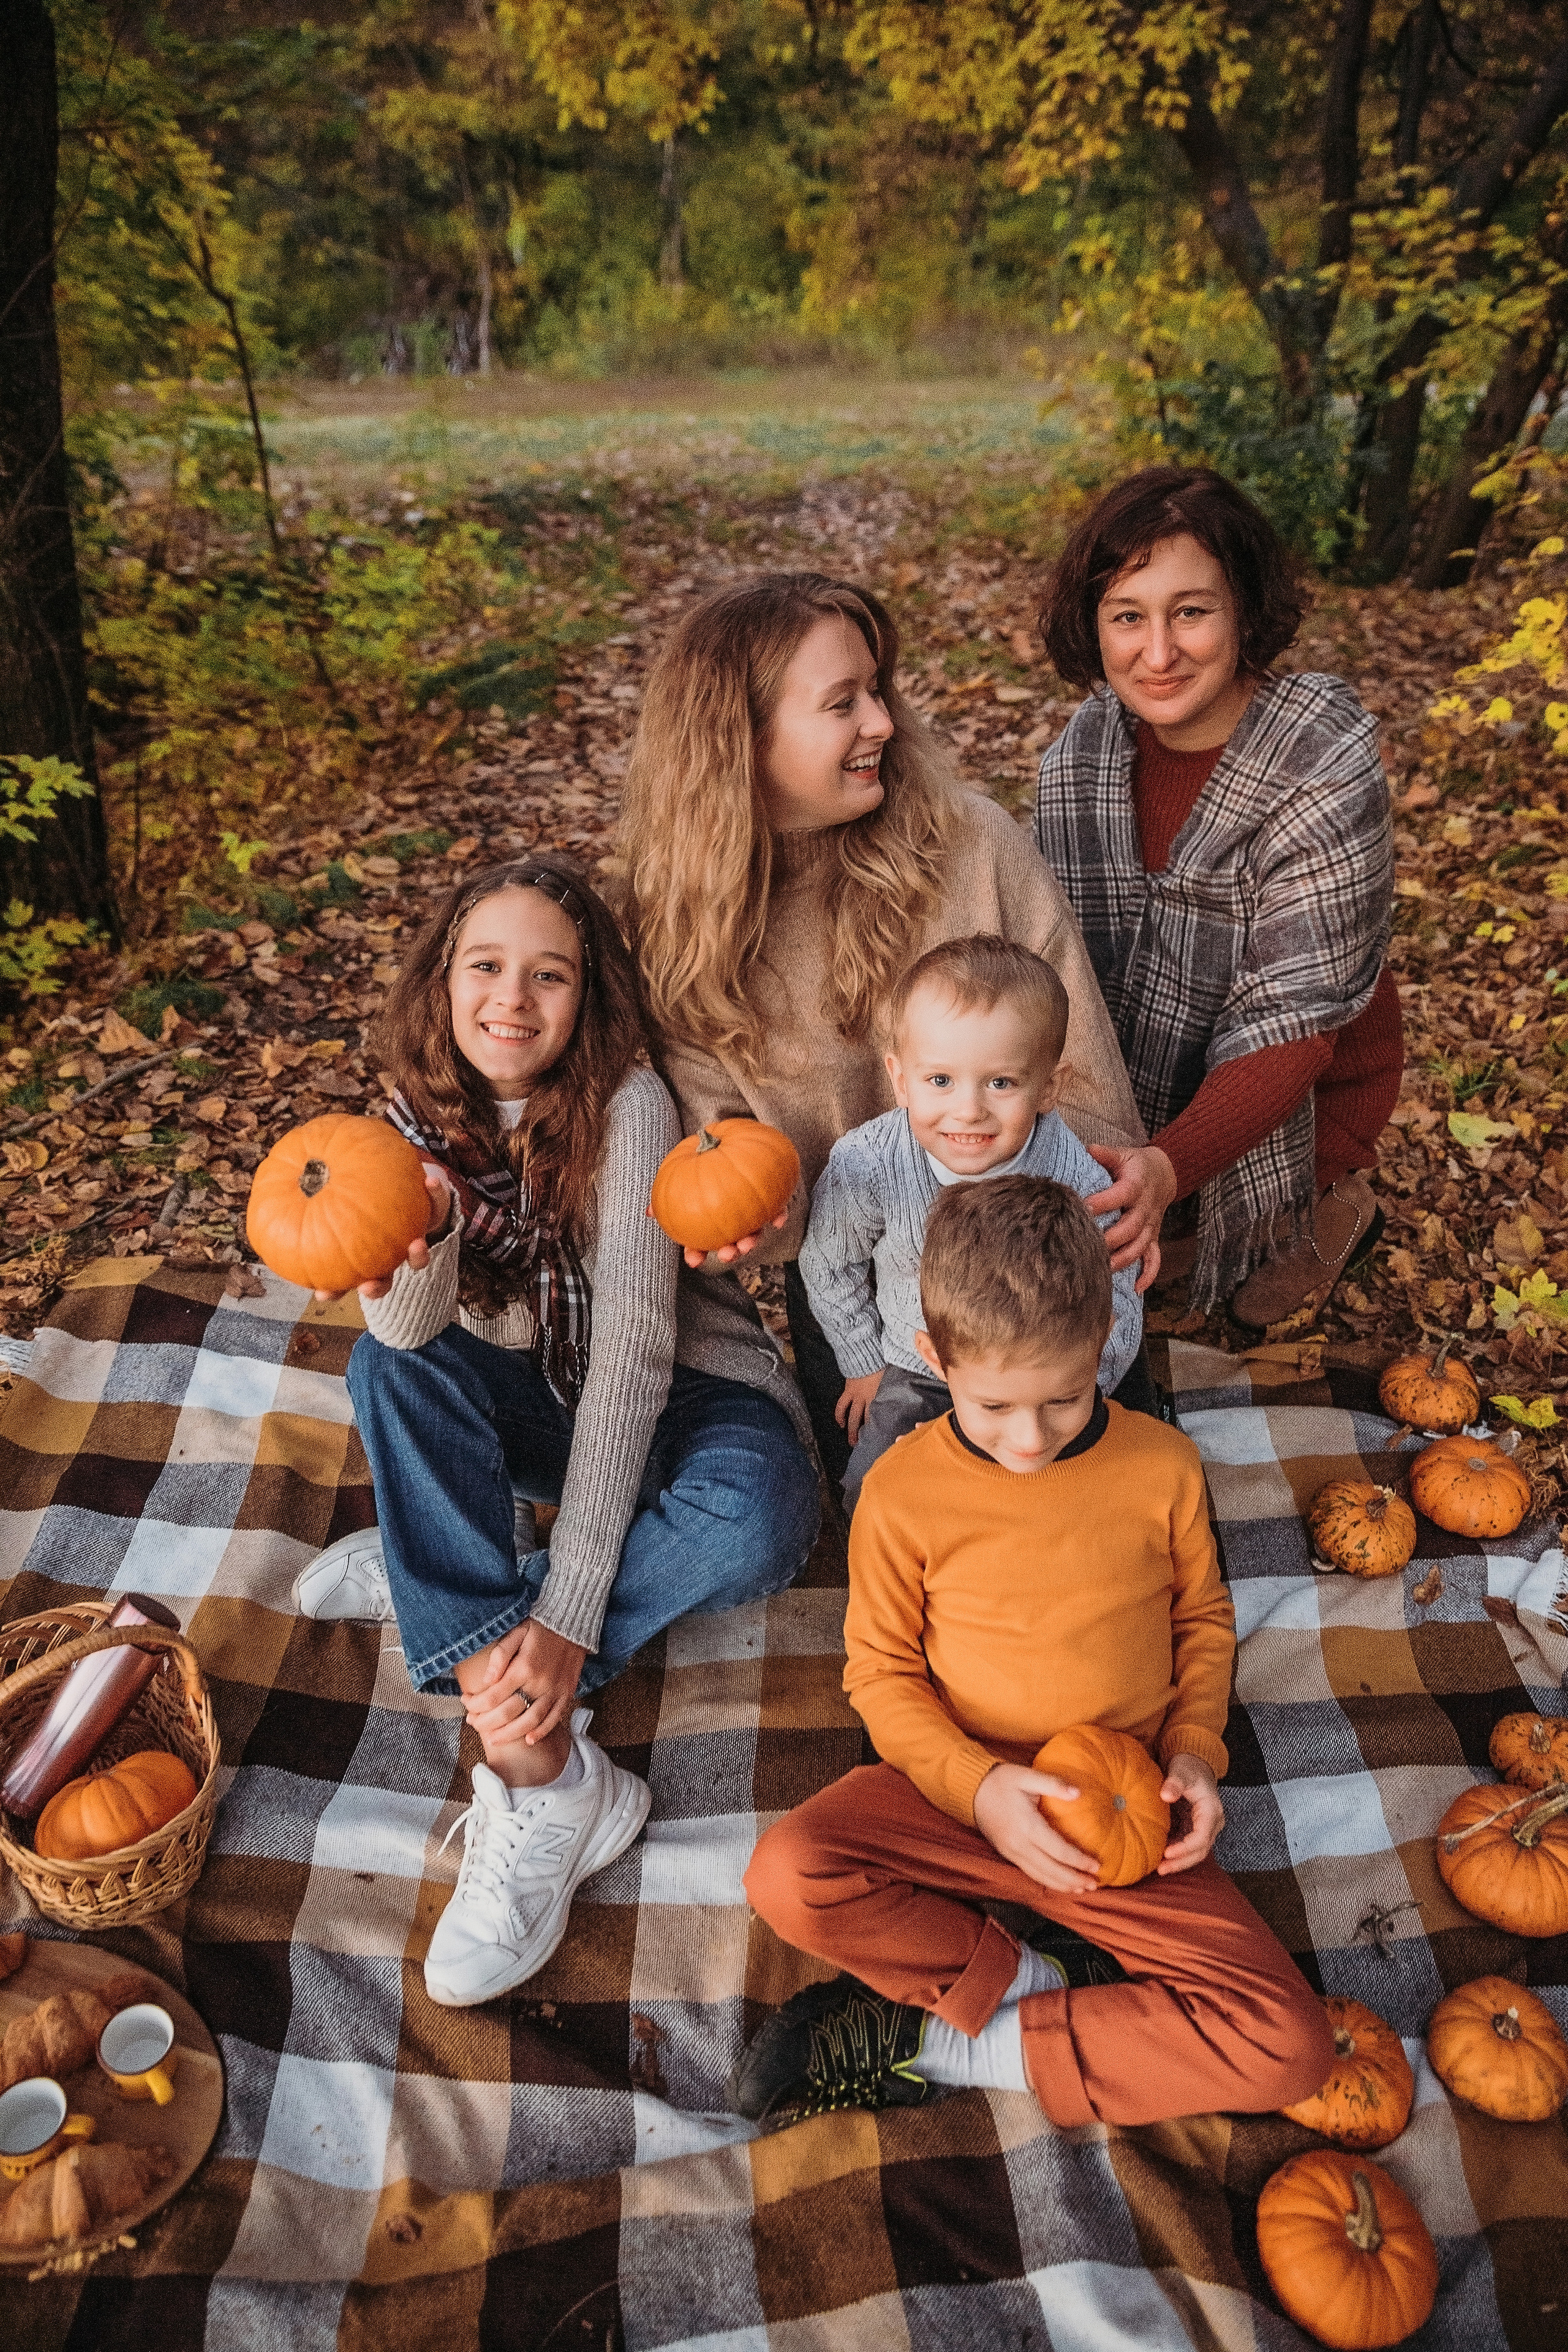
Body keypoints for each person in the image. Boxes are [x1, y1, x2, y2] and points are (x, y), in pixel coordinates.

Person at [292, 854, 819, 2008]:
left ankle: (469, 1591)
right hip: (531, 1408)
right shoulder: (400, 1128)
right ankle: (541, 1772)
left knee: (768, 1517)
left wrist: (572, 1609)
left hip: (684, 1399)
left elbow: (632, 1354)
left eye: (550, 976)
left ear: (590, 998)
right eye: (486, 967)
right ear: (441, 979)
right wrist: (419, 1239)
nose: (512, 1001)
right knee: (389, 1366)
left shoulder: (628, 1105)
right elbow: (418, 1335)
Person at [733, 1177, 1333, 2127]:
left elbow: (1202, 1621)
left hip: (1125, 1815)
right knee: (788, 1871)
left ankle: (963, 2045)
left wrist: (1193, 1754)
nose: (1031, 1437)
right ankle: (1036, 1975)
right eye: (996, 1406)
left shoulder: (1161, 1467)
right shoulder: (899, 1493)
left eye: (1062, 1398)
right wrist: (977, 1790)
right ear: (934, 1358)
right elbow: (882, 1674)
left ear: (1104, 1345)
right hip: (960, 1796)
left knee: (1290, 2047)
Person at [620, 570, 1149, 1484]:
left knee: (1099, 1504)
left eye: (878, 690)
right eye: (843, 703)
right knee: (902, 1512)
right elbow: (727, 1160)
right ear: (740, 741)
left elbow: (1088, 1084)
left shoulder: (973, 846)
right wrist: (747, 1218)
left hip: (1045, 1258)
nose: (884, 723)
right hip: (867, 1289)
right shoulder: (687, 928)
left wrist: (1105, 1231)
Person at [1033, 465, 1401, 1331]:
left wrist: (1166, 1167)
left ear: (1244, 610)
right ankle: (1166, 1186)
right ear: (1095, 626)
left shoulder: (1322, 763)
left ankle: (1325, 1201)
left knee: (1230, 1312)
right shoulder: (1081, 760)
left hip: (1305, 1092)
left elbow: (1297, 1025)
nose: (1157, 655)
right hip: (1138, 1083)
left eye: (1191, 612)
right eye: (1128, 616)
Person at [799, 935, 1142, 1512]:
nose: (969, 1110)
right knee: (875, 1487)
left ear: (1049, 1087)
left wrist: (1088, 1384)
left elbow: (1117, 1287)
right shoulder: (870, 1164)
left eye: (1000, 1083)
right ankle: (900, 1581)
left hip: (1038, 1378)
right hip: (916, 1367)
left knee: (1069, 1498)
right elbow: (830, 1261)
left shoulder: (1073, 1177)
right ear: (900, 1078)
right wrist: (863, 1364)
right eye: (941, 1081)